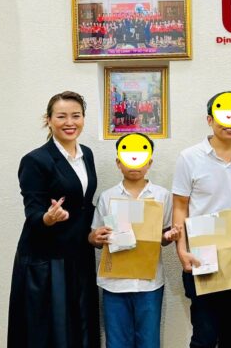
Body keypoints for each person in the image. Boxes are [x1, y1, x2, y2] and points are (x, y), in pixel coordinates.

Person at [7, 91, 100, 348]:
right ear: (48, 120)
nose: (70, 122)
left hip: (79, 253)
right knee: (50, 333)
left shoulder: (87, 154)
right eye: (61, 116)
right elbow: (33, 213)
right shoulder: (35, 160)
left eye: (76, 116)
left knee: (81, 325)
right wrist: (48, 218)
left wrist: (96, 230)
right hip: (47, 260)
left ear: (83, 119)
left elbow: (84, 205)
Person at [172, 92, 231, 348]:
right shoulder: (189, 157)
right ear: (210, 120)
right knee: (204, 336)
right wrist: (181, 251)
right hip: (201, 255)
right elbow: (180, 207)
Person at [89, 133, 181, 348]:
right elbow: (94, 237)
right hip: (114, 284)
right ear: (118, 162)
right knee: (116, 342)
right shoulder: (107, 196)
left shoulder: (161, 196)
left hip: (149, 283)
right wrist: (95, 237)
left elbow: (164, 237)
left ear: (149, 162)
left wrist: (169, 237)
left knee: (149, 341)